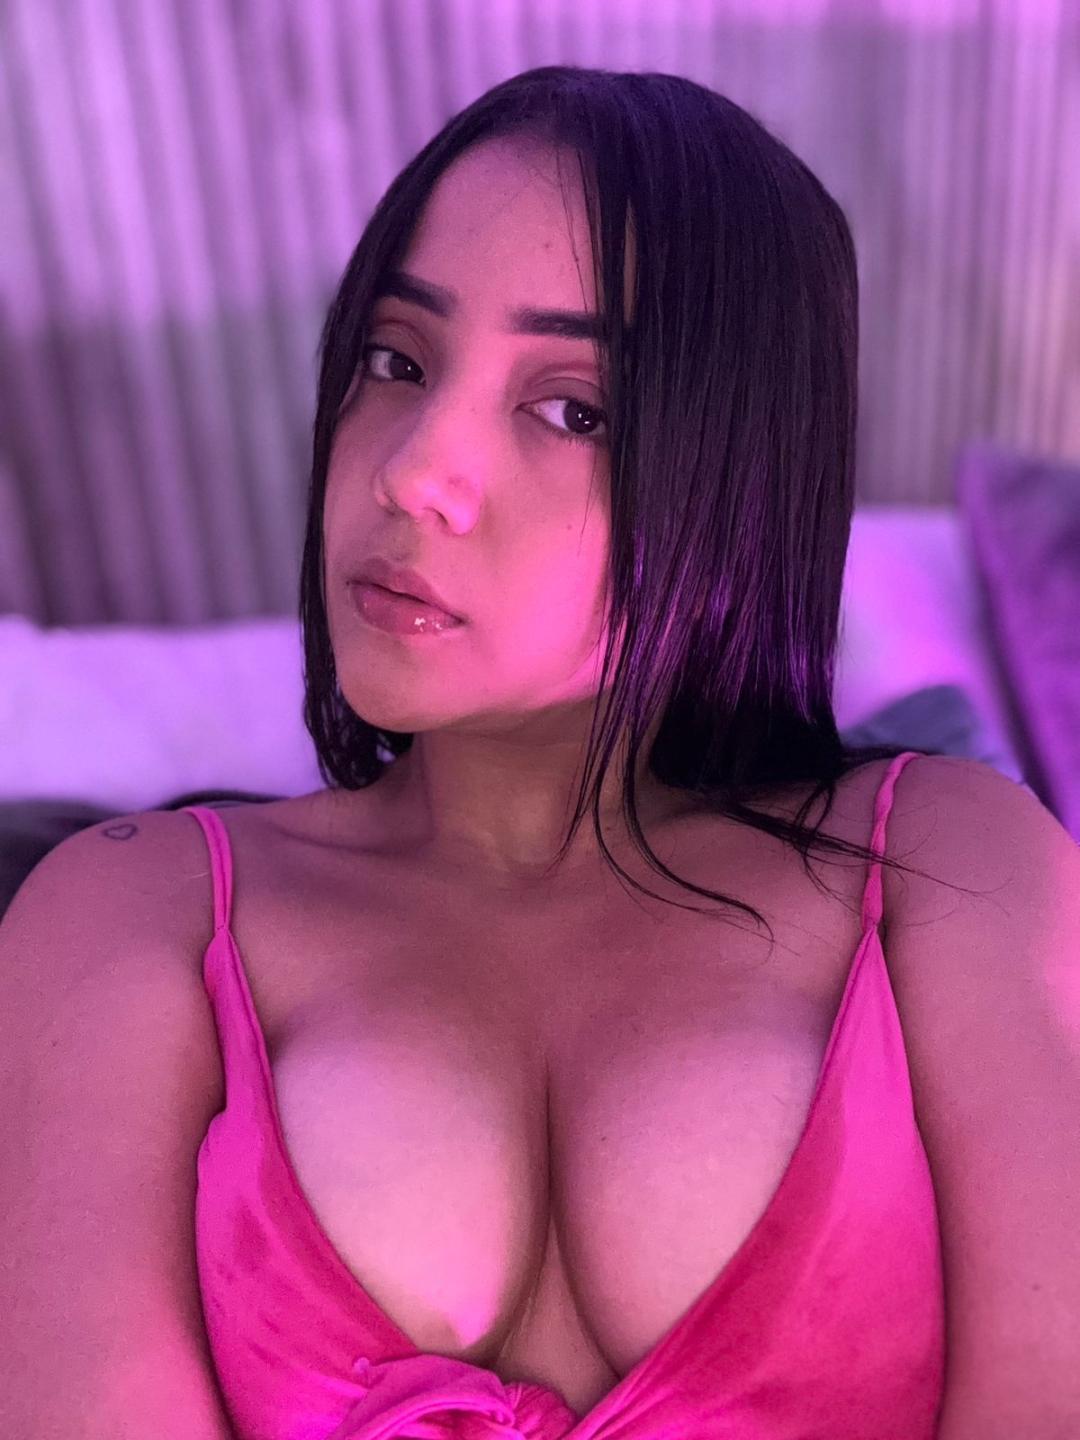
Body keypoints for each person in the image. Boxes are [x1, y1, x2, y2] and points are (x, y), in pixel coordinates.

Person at [6, 66, 1078, 1440]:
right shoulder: (123, 910)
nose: (411, 472)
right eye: (396, 361)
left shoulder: (952, 862)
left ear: (741, 478)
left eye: (573, 409)